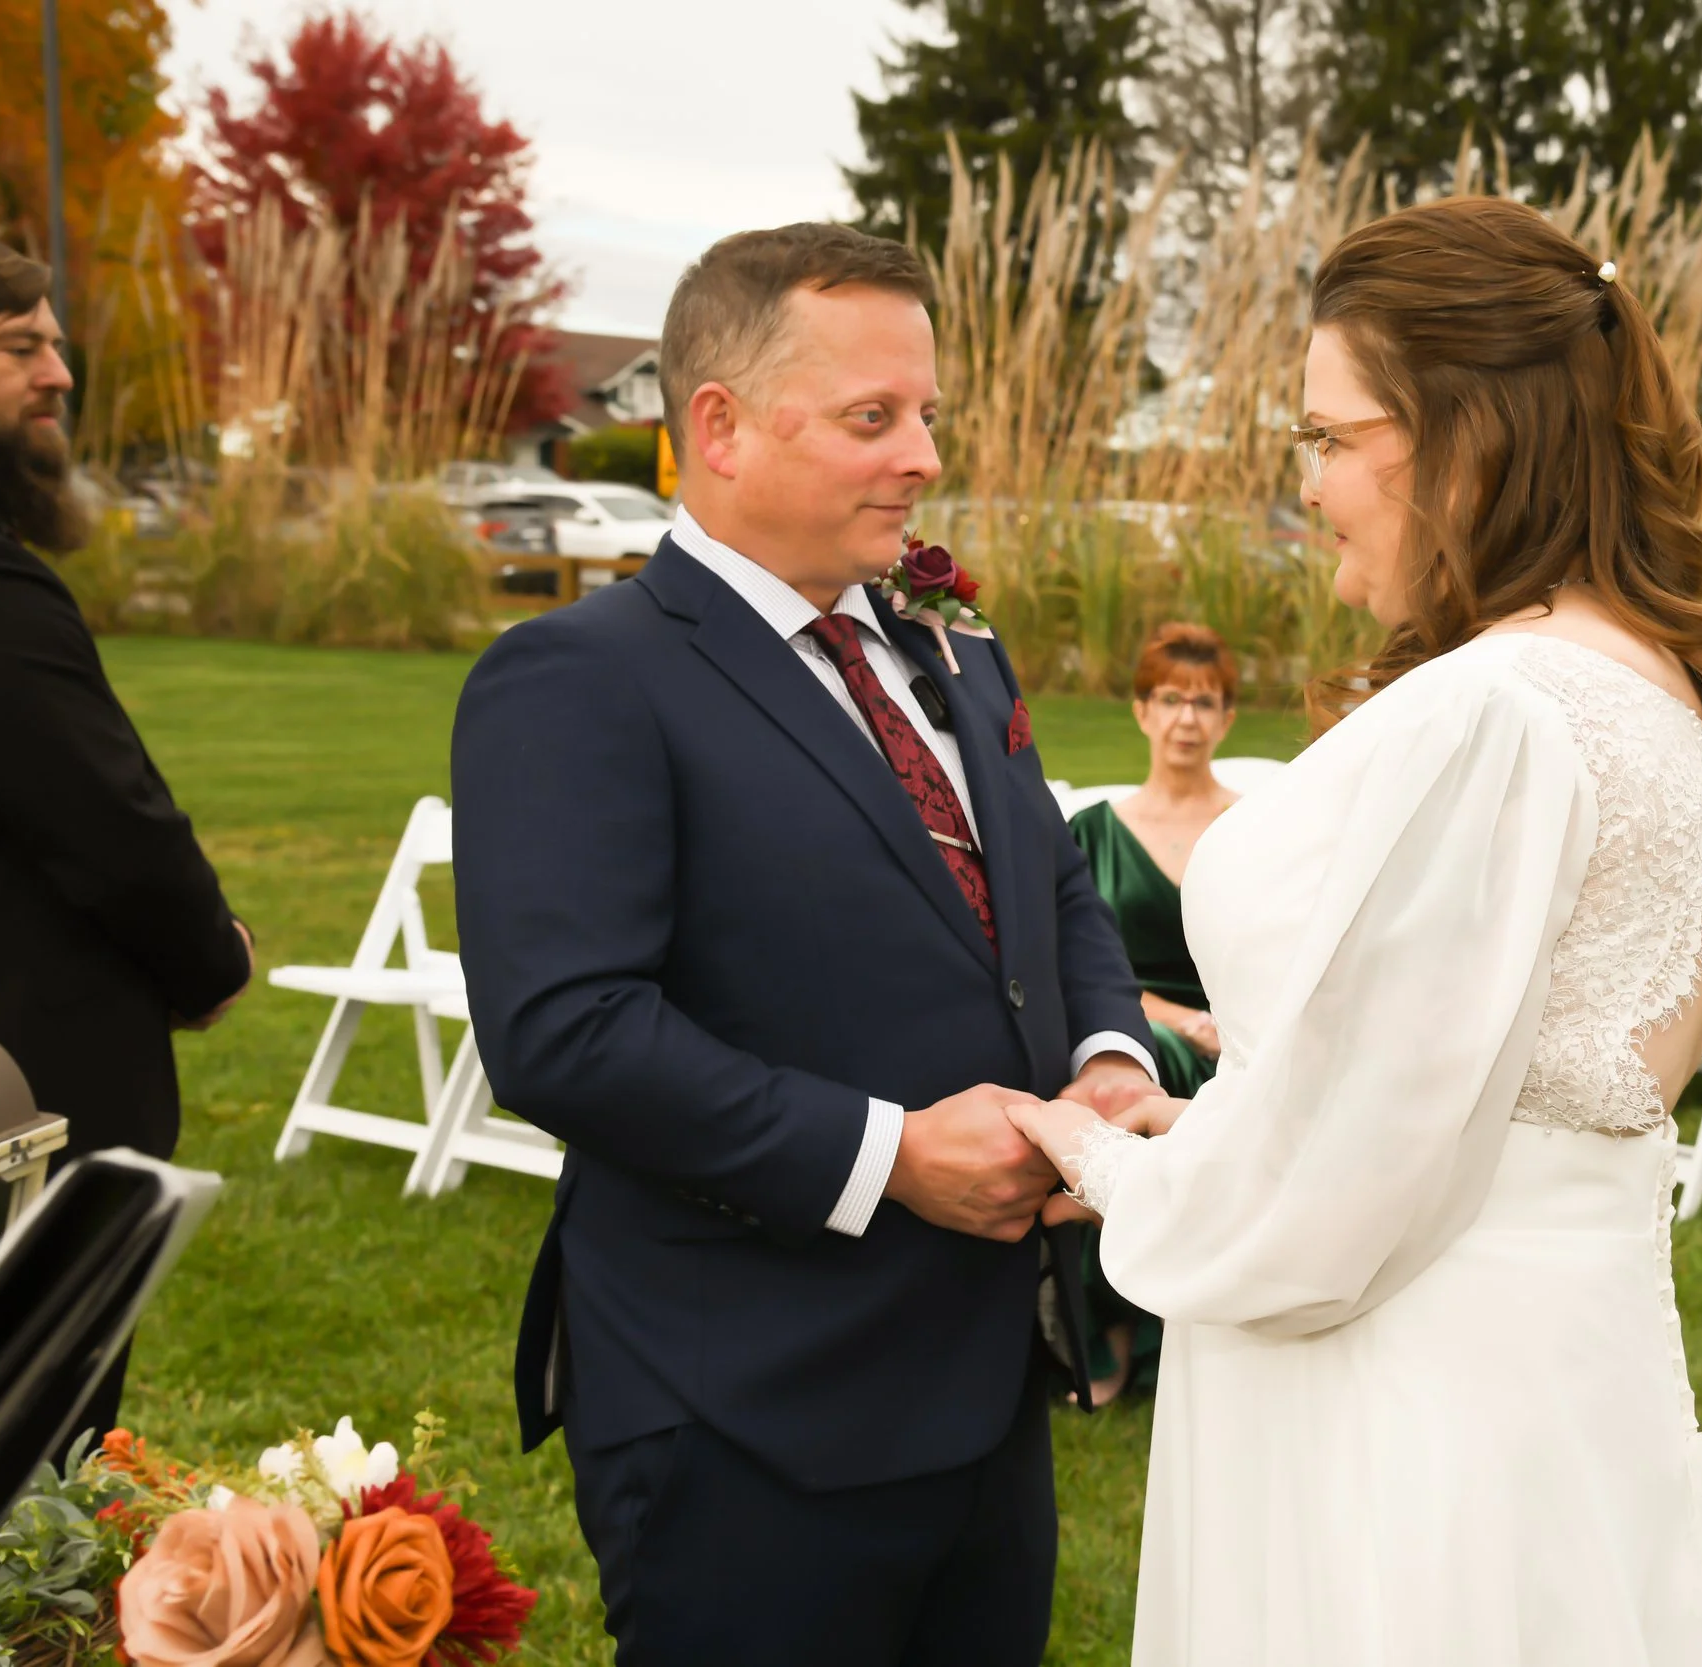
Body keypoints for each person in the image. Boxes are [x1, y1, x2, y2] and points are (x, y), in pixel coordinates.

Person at [1004, 198, 1702, 1666]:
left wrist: (1110, 1163)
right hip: (1552, 1375)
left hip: (1401, 1398)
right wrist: (1226, 1124)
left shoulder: (1497, 709)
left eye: (1326, 435)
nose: (1305, 484)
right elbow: (1475, 1080)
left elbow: (1342, 1196)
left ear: (1464, 433)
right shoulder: (1641, 682)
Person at [450, 223, 1163, 1667]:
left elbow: (1048, 881)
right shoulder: (579, 680)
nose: (920, 457)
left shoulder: (951, 646)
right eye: (871, 418)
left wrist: (1104, 1052)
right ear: (717, 424)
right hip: (745, 1403)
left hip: (983, 1379)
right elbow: (565, 1028)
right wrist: (890, 1153)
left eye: (929, 417)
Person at [0, 234, 255, 1448]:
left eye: (57, 340)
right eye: (18, 344)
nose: (61, 373)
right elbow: (113, 826)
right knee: (28, 1480)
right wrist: (213, 961)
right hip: (15, 1117)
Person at [1064, 622, 1243, 1404]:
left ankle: (1181, 1327)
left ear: (1228, 717)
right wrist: (1181, 1020)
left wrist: (1227, 1027)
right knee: (1132, 1072)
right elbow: (1074, 963)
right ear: (1140, 711)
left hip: (1246, 1032)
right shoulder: (1093, 833)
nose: (1186, 720)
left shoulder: (1256, 829)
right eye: (1170, 699)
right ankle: (1112, 1327)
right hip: (1134, 1027)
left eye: (1204, 702)